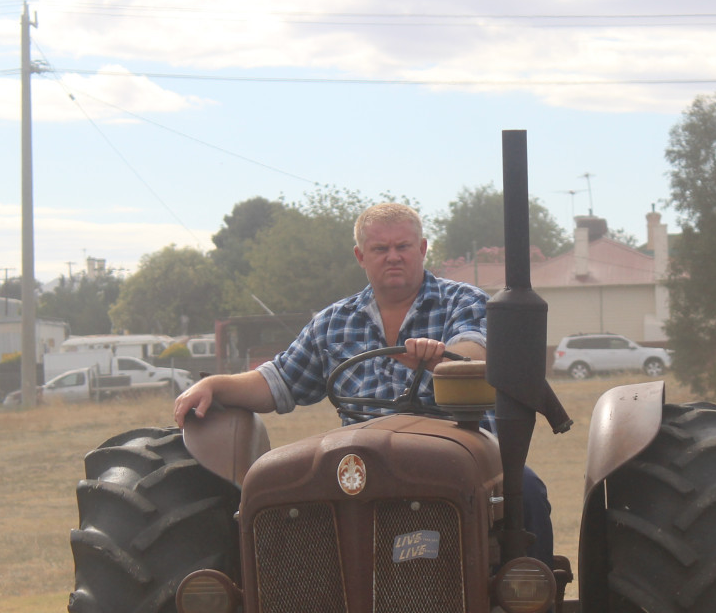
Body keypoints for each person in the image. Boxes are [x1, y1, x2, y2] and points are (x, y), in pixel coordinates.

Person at [173, 201, 556, 564]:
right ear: (361, 256)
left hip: (457, 455)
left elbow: (474, 351)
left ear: (422, 249)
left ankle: (528, 607)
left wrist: (441, 358)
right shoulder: (333, 322)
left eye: (403, 246)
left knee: (528, 490)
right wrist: (215, 386)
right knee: (286, 505)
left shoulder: (462, 301)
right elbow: (276, 382)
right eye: (380, 248)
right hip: (362, 470)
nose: (393, 256)